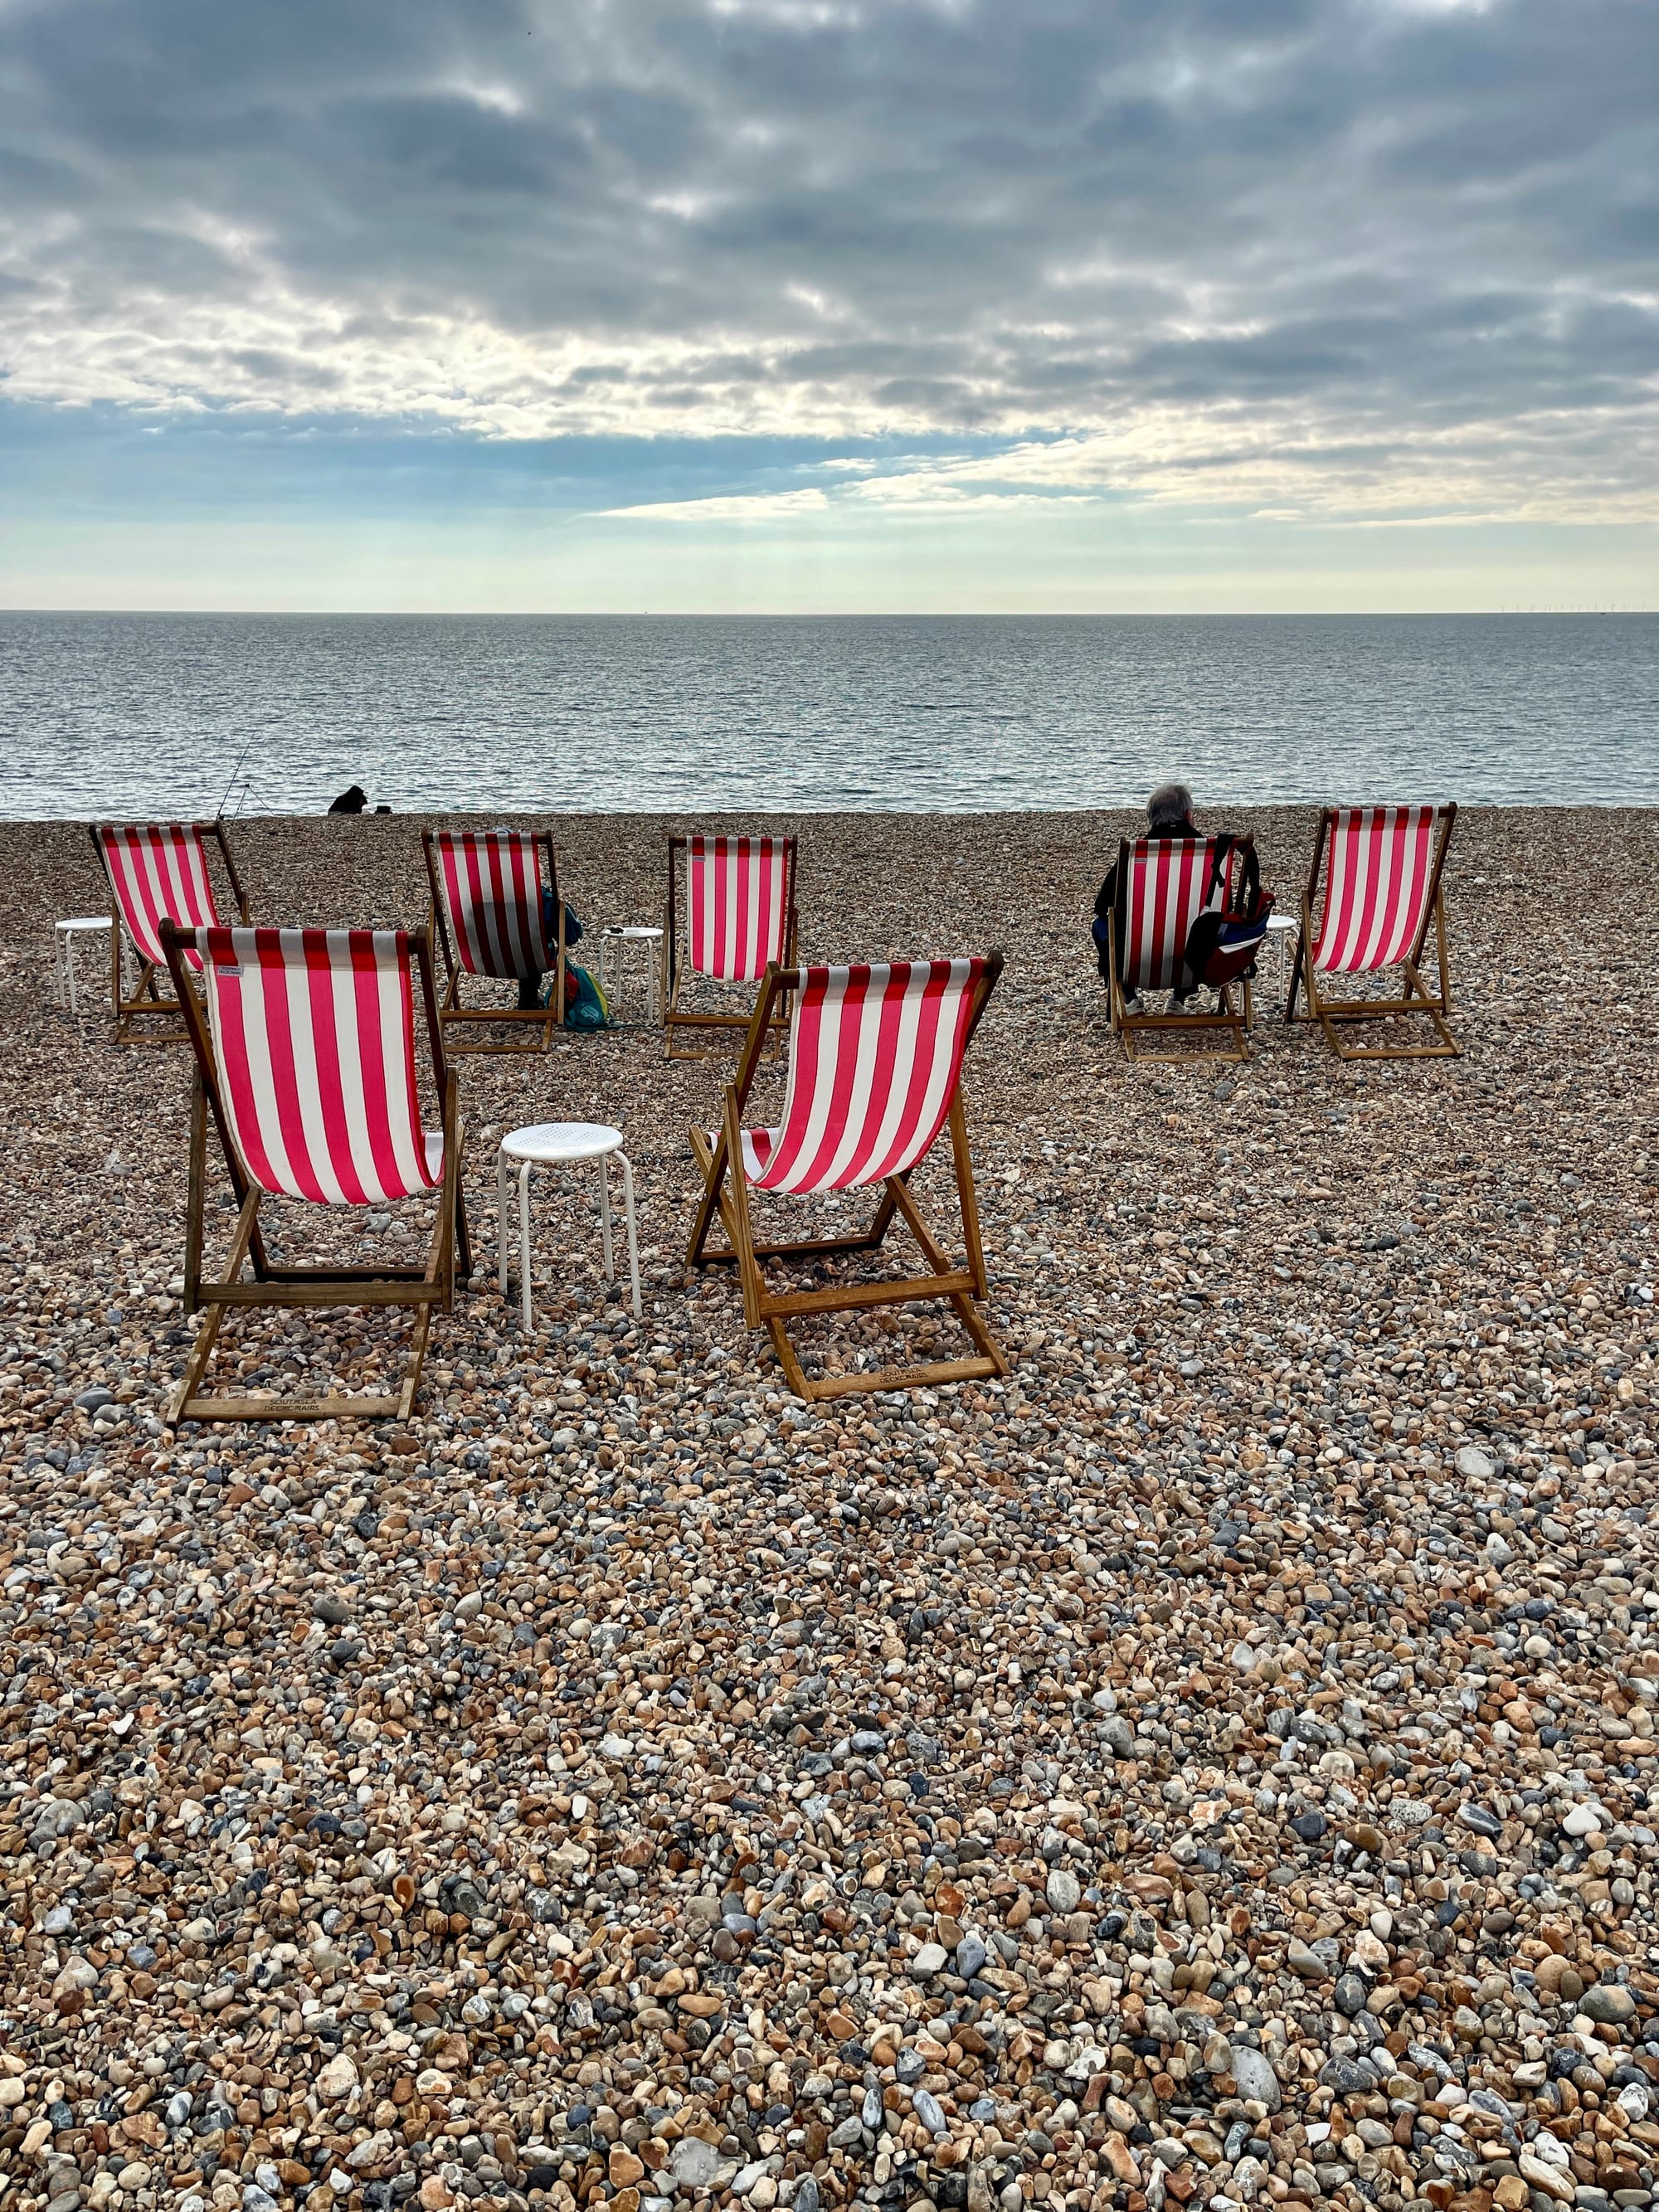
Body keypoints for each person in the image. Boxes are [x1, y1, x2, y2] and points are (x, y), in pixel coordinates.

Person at [1092, 783, 1201, 1014]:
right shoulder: (1211, 853)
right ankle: (1178, 1000)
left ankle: (1129, 998)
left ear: (1152, 819)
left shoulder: (1137, 854)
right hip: (1195, 959)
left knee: (1101, 925)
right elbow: (1225, 908)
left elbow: (1102, 906)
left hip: (1138, 958)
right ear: (1188, 815)